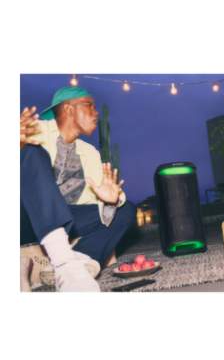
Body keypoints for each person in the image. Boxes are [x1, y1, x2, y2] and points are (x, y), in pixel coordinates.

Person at [20, 86, 137, 292]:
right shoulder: (33, 129)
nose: (96, 112)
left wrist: (111, 201)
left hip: (64, 221)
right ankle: (63, 261)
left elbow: (110, 201)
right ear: (69, 110)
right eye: (89, 105)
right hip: (24, 215)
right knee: (31, 150)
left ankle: (78, 261)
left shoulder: (90, 152)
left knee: (125, 209)